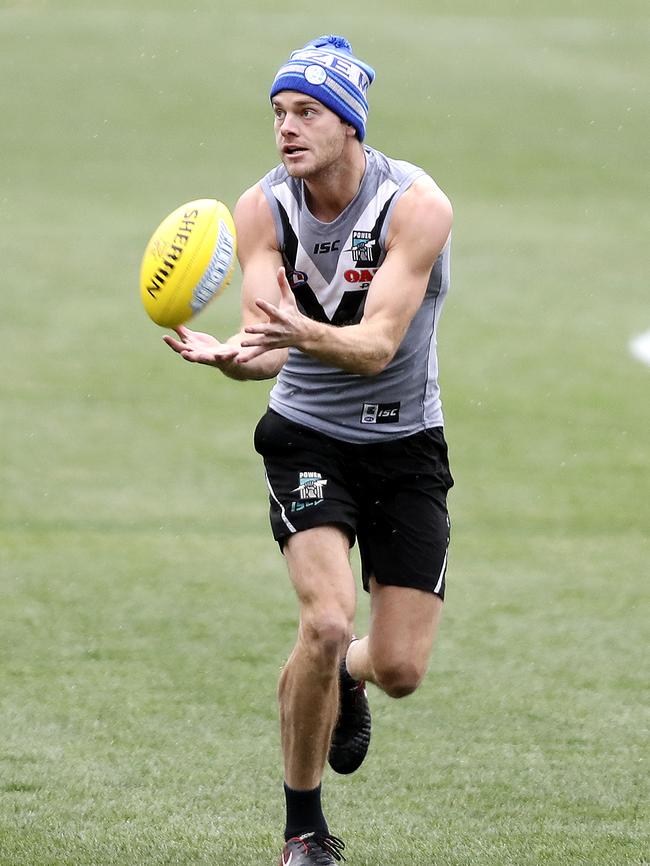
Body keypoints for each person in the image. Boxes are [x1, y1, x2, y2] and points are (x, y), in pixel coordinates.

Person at [164, 34, 454, 866]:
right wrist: (234, 356)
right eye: (279, 113)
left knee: (398, 667)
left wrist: (288, 333)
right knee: (325, 623)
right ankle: (304, 832)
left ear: (350, 126)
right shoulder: (262, 207)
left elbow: (376, 345)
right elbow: (266, 350)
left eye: (308, 113)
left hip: (405, 442)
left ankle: (351, 679)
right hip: (305, 437)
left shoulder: (416, 207)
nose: (287, 129)